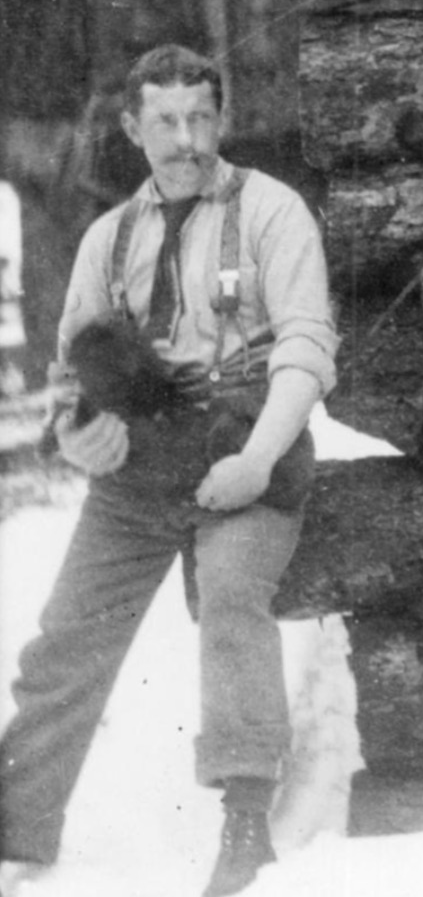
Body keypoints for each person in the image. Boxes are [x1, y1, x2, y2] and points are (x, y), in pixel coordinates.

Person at [0, 46, 339, 897]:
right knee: (66, 635)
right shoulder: (108, 238)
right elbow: (75, 372)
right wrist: (80, 436)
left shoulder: (272, 212)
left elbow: (306, 347)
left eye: (200, 119)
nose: (185, 141)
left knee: (231, 596)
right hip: (141, 475)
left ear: (220, 121)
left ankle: (244, 826)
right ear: (132, 129)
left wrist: (259, 460)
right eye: (165, 123)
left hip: (246, 448)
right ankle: (18, 826)